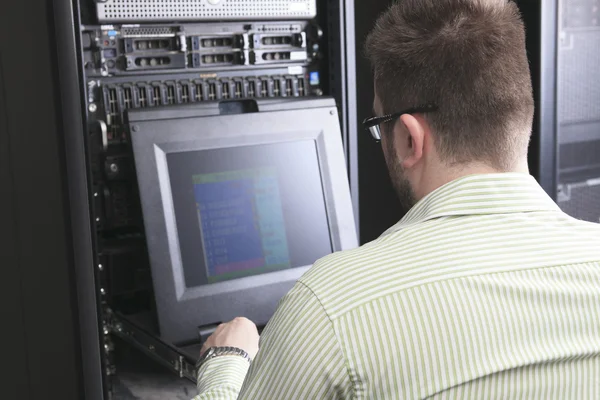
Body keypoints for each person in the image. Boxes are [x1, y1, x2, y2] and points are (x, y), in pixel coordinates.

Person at [193, 0, 600, 398]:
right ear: (519, 114)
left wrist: (227, 359)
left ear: (409, 137)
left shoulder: (333, 306)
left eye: (379, 124)